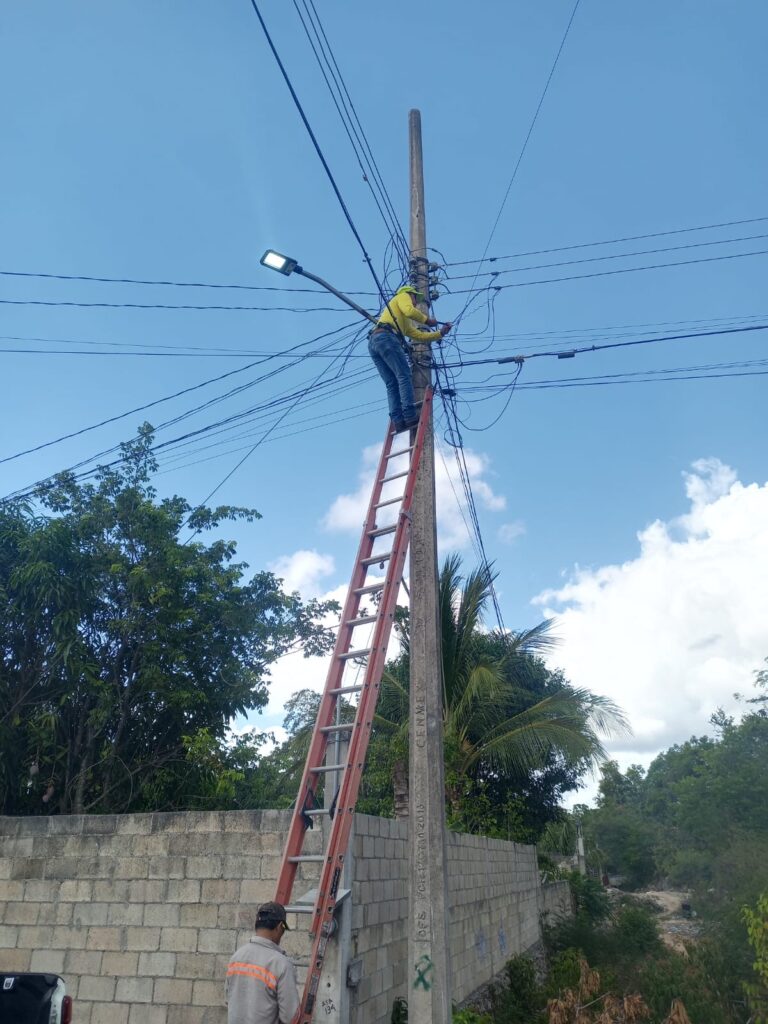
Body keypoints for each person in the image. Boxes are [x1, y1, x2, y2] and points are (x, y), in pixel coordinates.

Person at [368, 285, 452, 431]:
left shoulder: (403, 321)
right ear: (409, 294)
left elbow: (419, 335)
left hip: (375, 342)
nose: (415, 303)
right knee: (404, 375)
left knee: (391, 383)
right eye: (415, 298)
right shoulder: (401, 297)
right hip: (386, 337)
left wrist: (440, 333)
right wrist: (427, 320)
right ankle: (409, 415)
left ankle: (398, 422)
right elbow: (409, 310)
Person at [226, 901, 299, 1024]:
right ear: (279, 926)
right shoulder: (281, 964)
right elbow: (290, 1017)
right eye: (283, 929)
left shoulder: (236, 957)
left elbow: (229, 999)